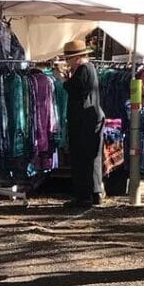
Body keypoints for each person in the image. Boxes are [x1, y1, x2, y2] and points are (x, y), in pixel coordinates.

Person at [61, 40, 104, 208]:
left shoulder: (83, 69)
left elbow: (76, 90)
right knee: (92, 157)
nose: (67, 62)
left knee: (81, 157)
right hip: (91, 118)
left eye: (68, 58)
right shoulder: (90, 69)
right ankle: (95, 192)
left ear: (76, 57)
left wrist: (63, 81)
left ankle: (83, 196)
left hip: (83, 121)